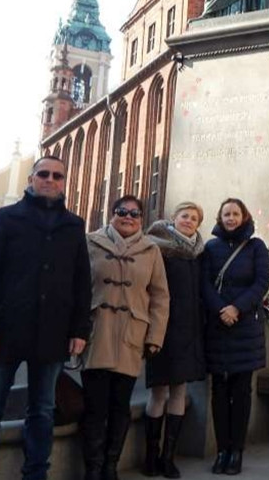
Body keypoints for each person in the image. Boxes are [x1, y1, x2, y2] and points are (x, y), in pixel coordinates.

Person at [0, 156, 92, 480]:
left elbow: (81, 282)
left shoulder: (74, 225)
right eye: (44, 174)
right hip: (5, 331)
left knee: (43, 410)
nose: (50, 180)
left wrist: (80, 330)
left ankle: (36, 473)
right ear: (32, 178)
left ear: (65, 182)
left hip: (52, 333)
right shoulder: (6, 218)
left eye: (58, 176)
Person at [80, 195, 170, 480]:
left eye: (134, 213)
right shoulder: (90, 243)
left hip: (132, 335)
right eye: (122, 211)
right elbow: (76, 288)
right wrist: (75, 331)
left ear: (142, 218)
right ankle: (92, 469)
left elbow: (159, 297)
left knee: (120, 407)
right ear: (112, 213)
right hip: (96, 333)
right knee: (95, 407)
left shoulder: (151, 250)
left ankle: (110, 467)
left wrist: (155, 336)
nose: (128, 217)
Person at [201, 198, 269, 475]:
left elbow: (261, 282)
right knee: (219, 391)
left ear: (244, 217)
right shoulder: (210, 247)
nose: (230, 218)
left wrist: (236, 308)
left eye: (235, 213)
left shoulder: (256, 247)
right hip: (218, 326)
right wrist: (220, 309)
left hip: (245, 327)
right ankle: (221, 450)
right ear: (220, 217)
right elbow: (203, 283)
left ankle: (236, 451)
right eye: (226, 214)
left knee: (241, 392)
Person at [144, 202, 207, 478]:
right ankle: (150, 456)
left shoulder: (198, 253)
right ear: (174, 218)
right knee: (159, 392)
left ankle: (168, 457)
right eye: (185, 216)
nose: (189, 221)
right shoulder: (158, 247)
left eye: (194, 218)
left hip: (188, 331)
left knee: (179, 391)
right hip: (162, 330)